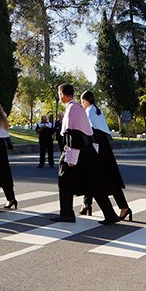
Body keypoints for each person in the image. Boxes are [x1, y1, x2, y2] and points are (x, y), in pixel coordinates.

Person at [51, 84, 120, 225]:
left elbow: (72, 135)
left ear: (62, 94)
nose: (59, 96)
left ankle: (67, 214)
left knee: (64, 181)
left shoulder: (71, 109)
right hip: (88, 152)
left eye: (59, 94)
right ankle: (110, 214)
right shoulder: (79, 108)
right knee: (95, 183)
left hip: (76, 151)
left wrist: (70, 158)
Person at [80, 91, 131, 219]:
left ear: (86, 100)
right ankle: (87, 204)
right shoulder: (97, 110)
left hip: (97, 146)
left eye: (82, 101)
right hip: (104, 146)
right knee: (103, 176)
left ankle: (122, 207)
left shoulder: (89, 111)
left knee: (97, 176)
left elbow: (89, 131)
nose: (82, 104)